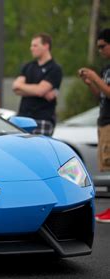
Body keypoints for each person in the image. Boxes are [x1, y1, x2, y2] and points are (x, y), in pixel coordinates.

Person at [78, 28, 110, 223]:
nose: (100, 51)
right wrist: (91, 82)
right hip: (103, 121)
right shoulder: (106, 69)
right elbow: (101, 96)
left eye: (103, 46)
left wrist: (95, 78)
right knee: (107, 167)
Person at [12, 33, 62, 136]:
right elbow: (15, 88)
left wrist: (26, 88)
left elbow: (40, 91)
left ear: (46, 46)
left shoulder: (54, 69)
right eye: (31, 45)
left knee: (41, 151)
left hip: (42, 119)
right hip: (23, 118)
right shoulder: (28, 66)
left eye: (35, 45)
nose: (31, 48)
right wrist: (39, 91)